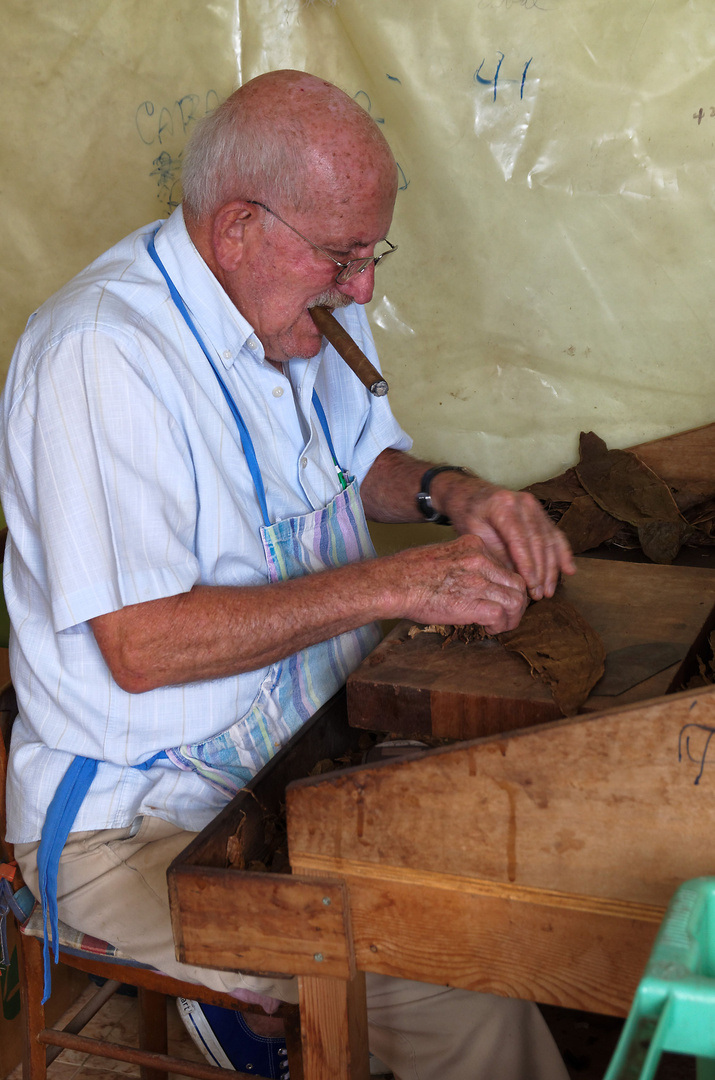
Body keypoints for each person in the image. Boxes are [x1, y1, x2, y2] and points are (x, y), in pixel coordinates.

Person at [0, 69, 574, 1080]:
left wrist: (456, 491)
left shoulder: (281, 314)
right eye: (343, 257)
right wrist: (398, 587)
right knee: (460, 986)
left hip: (296, 769)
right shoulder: (101, 358)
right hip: (146, 824)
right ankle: (256, 1026)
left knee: (520, 869)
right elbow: (142, 647)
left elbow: (362, 468)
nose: (362, 287)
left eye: (370, 254)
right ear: (236, 229)